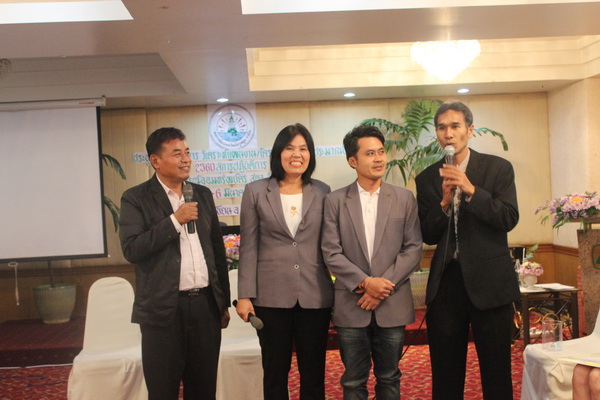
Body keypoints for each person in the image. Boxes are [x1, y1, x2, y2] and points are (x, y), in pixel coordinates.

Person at [415, 101, 520, 400]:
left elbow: (508, 218)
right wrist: (444, 204)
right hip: (447, 284)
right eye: (441, 127)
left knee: (497, 372)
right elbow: (428, 234)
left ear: (470, 130)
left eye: (455, 126)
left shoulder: (498, 168)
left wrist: (471, 190)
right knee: (446, 374)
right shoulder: (427, 178)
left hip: (490, 283)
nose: (448, 133)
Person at [119, 127, 230, 400]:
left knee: (204, 390)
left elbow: (216, 251)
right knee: (163, 390)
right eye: (177, 153)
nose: (186, 159)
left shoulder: (202, 194)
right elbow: (132, 249)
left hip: (205, 307)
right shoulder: (136, 198)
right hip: (163, 311)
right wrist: (174, 220)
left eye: (187, 152)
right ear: (156, 160)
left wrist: (222, 303)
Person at [321, 125, 422, 399]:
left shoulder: (404, 198)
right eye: (369, 153)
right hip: (351, 305)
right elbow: (331, 252)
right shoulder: (334, 201)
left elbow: (413, 248)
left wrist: (382, 286)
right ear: (352, 161)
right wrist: (366, 283)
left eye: (381, 152)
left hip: (392, 303)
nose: (378, 159)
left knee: (389, 378)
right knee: (353, 381)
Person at [235, 123, 334, 400]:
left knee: (313, 373)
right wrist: (244, 295)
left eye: (303, 148)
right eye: (290, 148)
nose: (297, 154)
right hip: (271, 298)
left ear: (310, 154)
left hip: (315, 295)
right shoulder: (255, 191)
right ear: (278, 152)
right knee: (275, 372)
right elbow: (249, 246)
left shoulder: (323, 191)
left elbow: (330, 244)